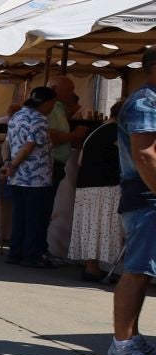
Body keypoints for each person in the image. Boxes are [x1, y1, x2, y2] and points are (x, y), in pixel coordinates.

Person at [109, 56, 156, 355]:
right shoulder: (145, 102)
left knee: (142, 271)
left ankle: (131, 338)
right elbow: (145, 155)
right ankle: (122, 345)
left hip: (146, 197)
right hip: (146, 197)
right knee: (137, 271)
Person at [1, 86, 57, 268]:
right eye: (53, 104)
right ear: (46, 103)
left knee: (20, 216)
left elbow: (6, 144)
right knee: (35, 218)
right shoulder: (40, 119)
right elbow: (29, 146)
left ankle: (15, 252)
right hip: (36, 177)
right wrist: (13, 165)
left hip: (17, 178)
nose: (52, 107)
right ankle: (32, 255)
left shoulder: (16, 116)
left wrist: (7, 163)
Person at [70, 103, 122, 283]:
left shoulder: (95, 129)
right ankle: (96, 269)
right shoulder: (119, 131)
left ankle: (91, 267)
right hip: (107, 184)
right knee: (104, 226)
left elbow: (80, 160)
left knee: (91, 226)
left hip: (86, 183)